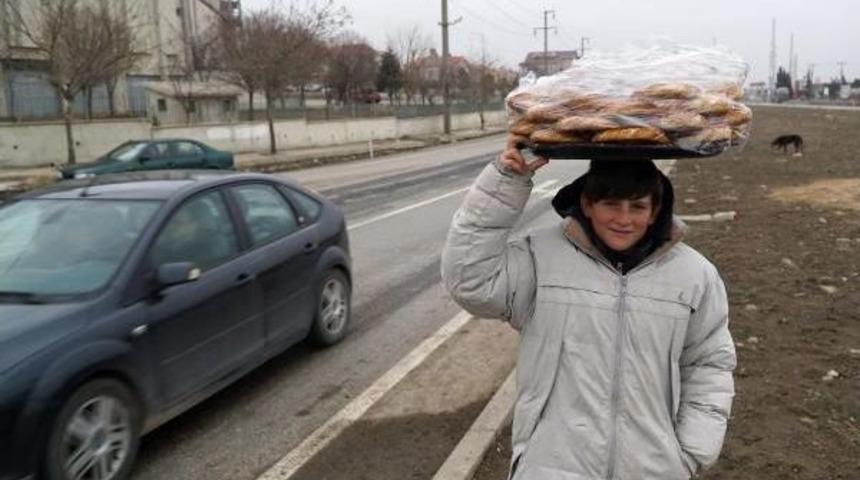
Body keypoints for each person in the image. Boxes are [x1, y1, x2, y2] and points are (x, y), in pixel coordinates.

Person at [441, 137, 736, 479]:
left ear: (655, 211)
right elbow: (469, 281)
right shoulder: (541, 257)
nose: (623, 219)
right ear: (587, 203)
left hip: (654, 469)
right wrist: (506, 180)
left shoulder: (694, 275)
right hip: (551, 468)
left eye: (637, 207)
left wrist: (691, 452)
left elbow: (709, 363)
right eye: (611, 204)